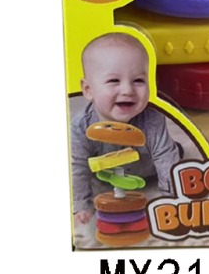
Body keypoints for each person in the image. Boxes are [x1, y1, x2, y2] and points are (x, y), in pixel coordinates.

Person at [71, 32, 180, 225]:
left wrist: (171, 198)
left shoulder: (153, 120)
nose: (128, 90)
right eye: (114, 81)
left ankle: (177, 148)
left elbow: (166, 159)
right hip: (107, 177)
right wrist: (80, 204)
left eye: (139, 80)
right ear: (88, 90)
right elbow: (76, 166)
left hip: (148, 171)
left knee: (172, 153)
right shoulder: (81, 127)